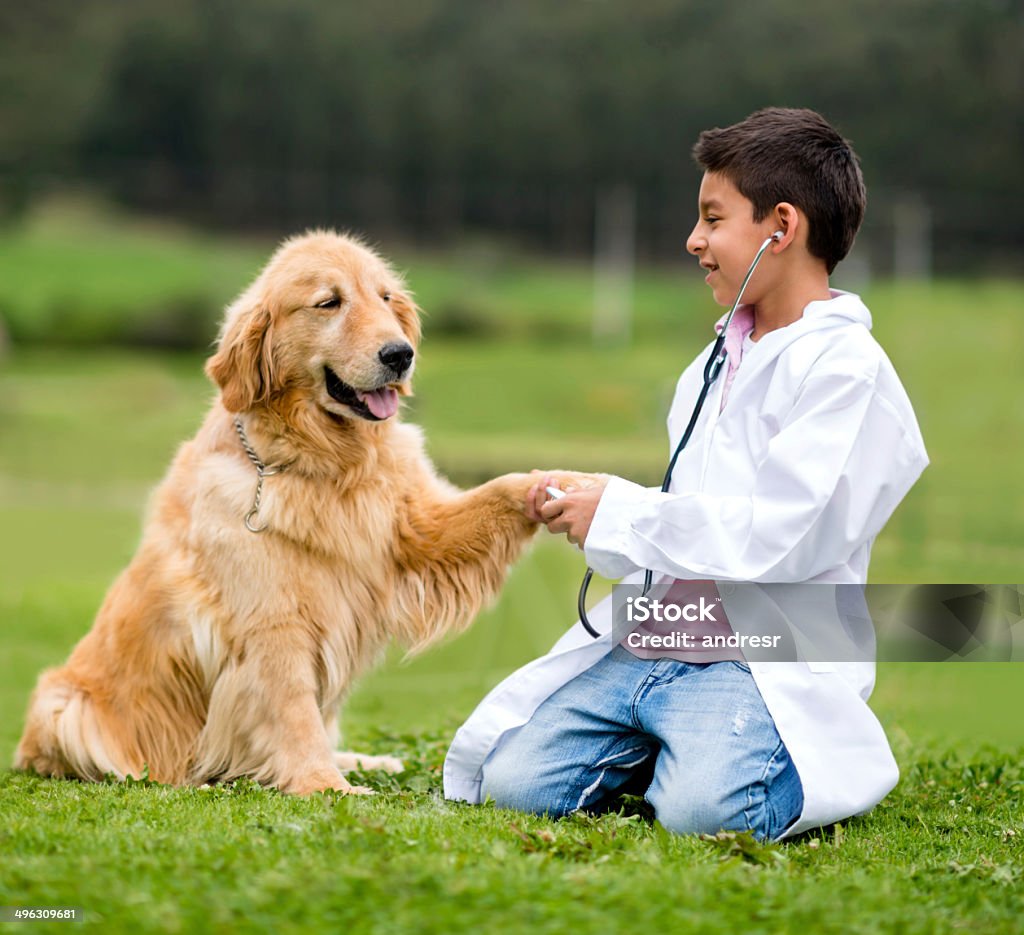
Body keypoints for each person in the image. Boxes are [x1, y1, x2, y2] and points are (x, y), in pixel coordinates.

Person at [442, 107, 929, 840]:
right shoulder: (710, 365)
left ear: (781, 227)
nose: (693, 240)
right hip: (664, 632)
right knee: (513, 782)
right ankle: (672, 740)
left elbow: (780, 542)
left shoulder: (847, 374)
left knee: (708, 813)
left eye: (712, 218)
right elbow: (685, 522)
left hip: (767, 652)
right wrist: (596, 510)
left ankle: (736, 754)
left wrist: (622, 511)